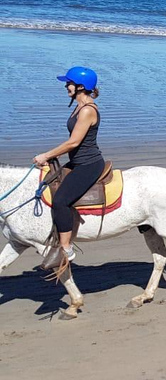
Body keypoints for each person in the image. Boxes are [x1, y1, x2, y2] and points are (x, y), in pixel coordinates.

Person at [33, 67, 105, 268]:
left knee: (61, 201)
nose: (66, 86)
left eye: (69, 83)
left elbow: (73, 143)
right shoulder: (78, 106)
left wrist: (47, 155)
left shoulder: (88, 110)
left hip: (89, 164)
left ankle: (66, 248)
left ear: (81, 86)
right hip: (77, 161)